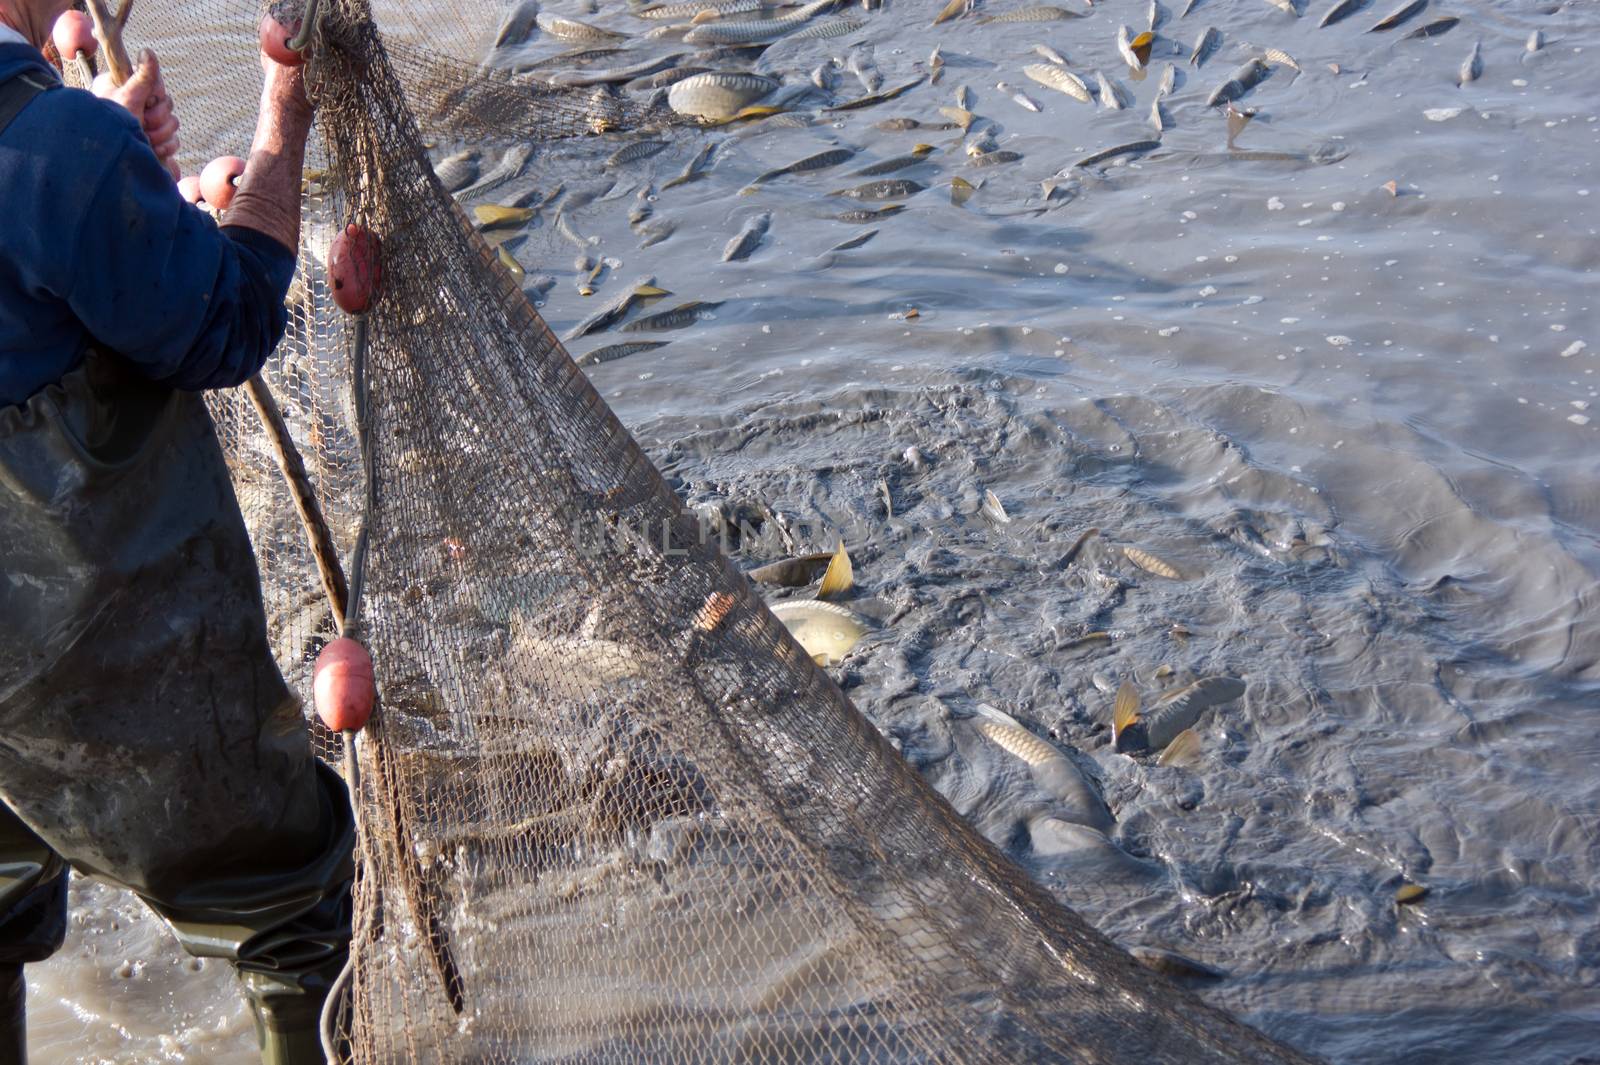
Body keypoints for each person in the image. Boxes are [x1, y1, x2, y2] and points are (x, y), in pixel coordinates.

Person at [0, 2, 354, 1062]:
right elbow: (232, 322)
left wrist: (107, 162)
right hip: (87, 634)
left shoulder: (63, 144)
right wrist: (283, 113)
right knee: (290, 900)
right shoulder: (61, 150)